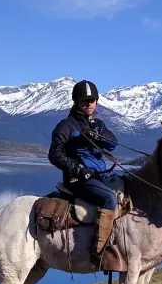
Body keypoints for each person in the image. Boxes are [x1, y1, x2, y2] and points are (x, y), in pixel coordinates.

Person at [48, 79, 119, 263]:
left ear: (96, 101)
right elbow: (54, 154)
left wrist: (97, 134)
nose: (89, 103)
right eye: (84, 100)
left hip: (99, 177)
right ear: (76, 102)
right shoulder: (66, 126)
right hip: (78, 181)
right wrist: (78, 169)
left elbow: (113, 143)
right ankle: (100, 251)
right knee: (109, 199)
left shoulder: (98, 124)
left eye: (92, 100)